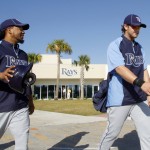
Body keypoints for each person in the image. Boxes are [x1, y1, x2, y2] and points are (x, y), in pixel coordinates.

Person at [99, 14, 150, 150]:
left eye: (139, 27)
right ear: (125, 26)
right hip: (120, 99)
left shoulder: (140, 48)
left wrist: (148, 91)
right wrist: (142, 84)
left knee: (148, 134)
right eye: (134, 26)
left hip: (139, 98)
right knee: (112, 134)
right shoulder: (115, 45)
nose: (137, 29)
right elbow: (120, 69)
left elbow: (144, 70)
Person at [0, 19, 34, 150]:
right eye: (20, 28)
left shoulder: (23, 55)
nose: (23, 31)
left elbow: (26, 81)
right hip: (1, 105)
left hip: (20, 106)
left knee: (22, 145)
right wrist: (1, 75)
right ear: (9, 30)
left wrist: (30, 101)